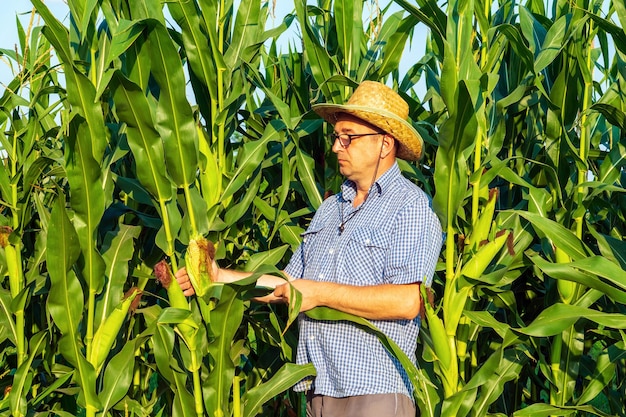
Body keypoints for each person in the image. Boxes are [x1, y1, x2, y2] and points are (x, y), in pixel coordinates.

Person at [176, 81, 442, 417]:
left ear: (384, 144)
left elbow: (409, 301)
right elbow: (288, 284)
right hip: (318, 391)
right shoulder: (330, 209)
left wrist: (320, 293)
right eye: (336, 136)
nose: (335, 147)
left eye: (348, 137)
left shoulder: (410, 207)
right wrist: (219, 277)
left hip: (375, 392)